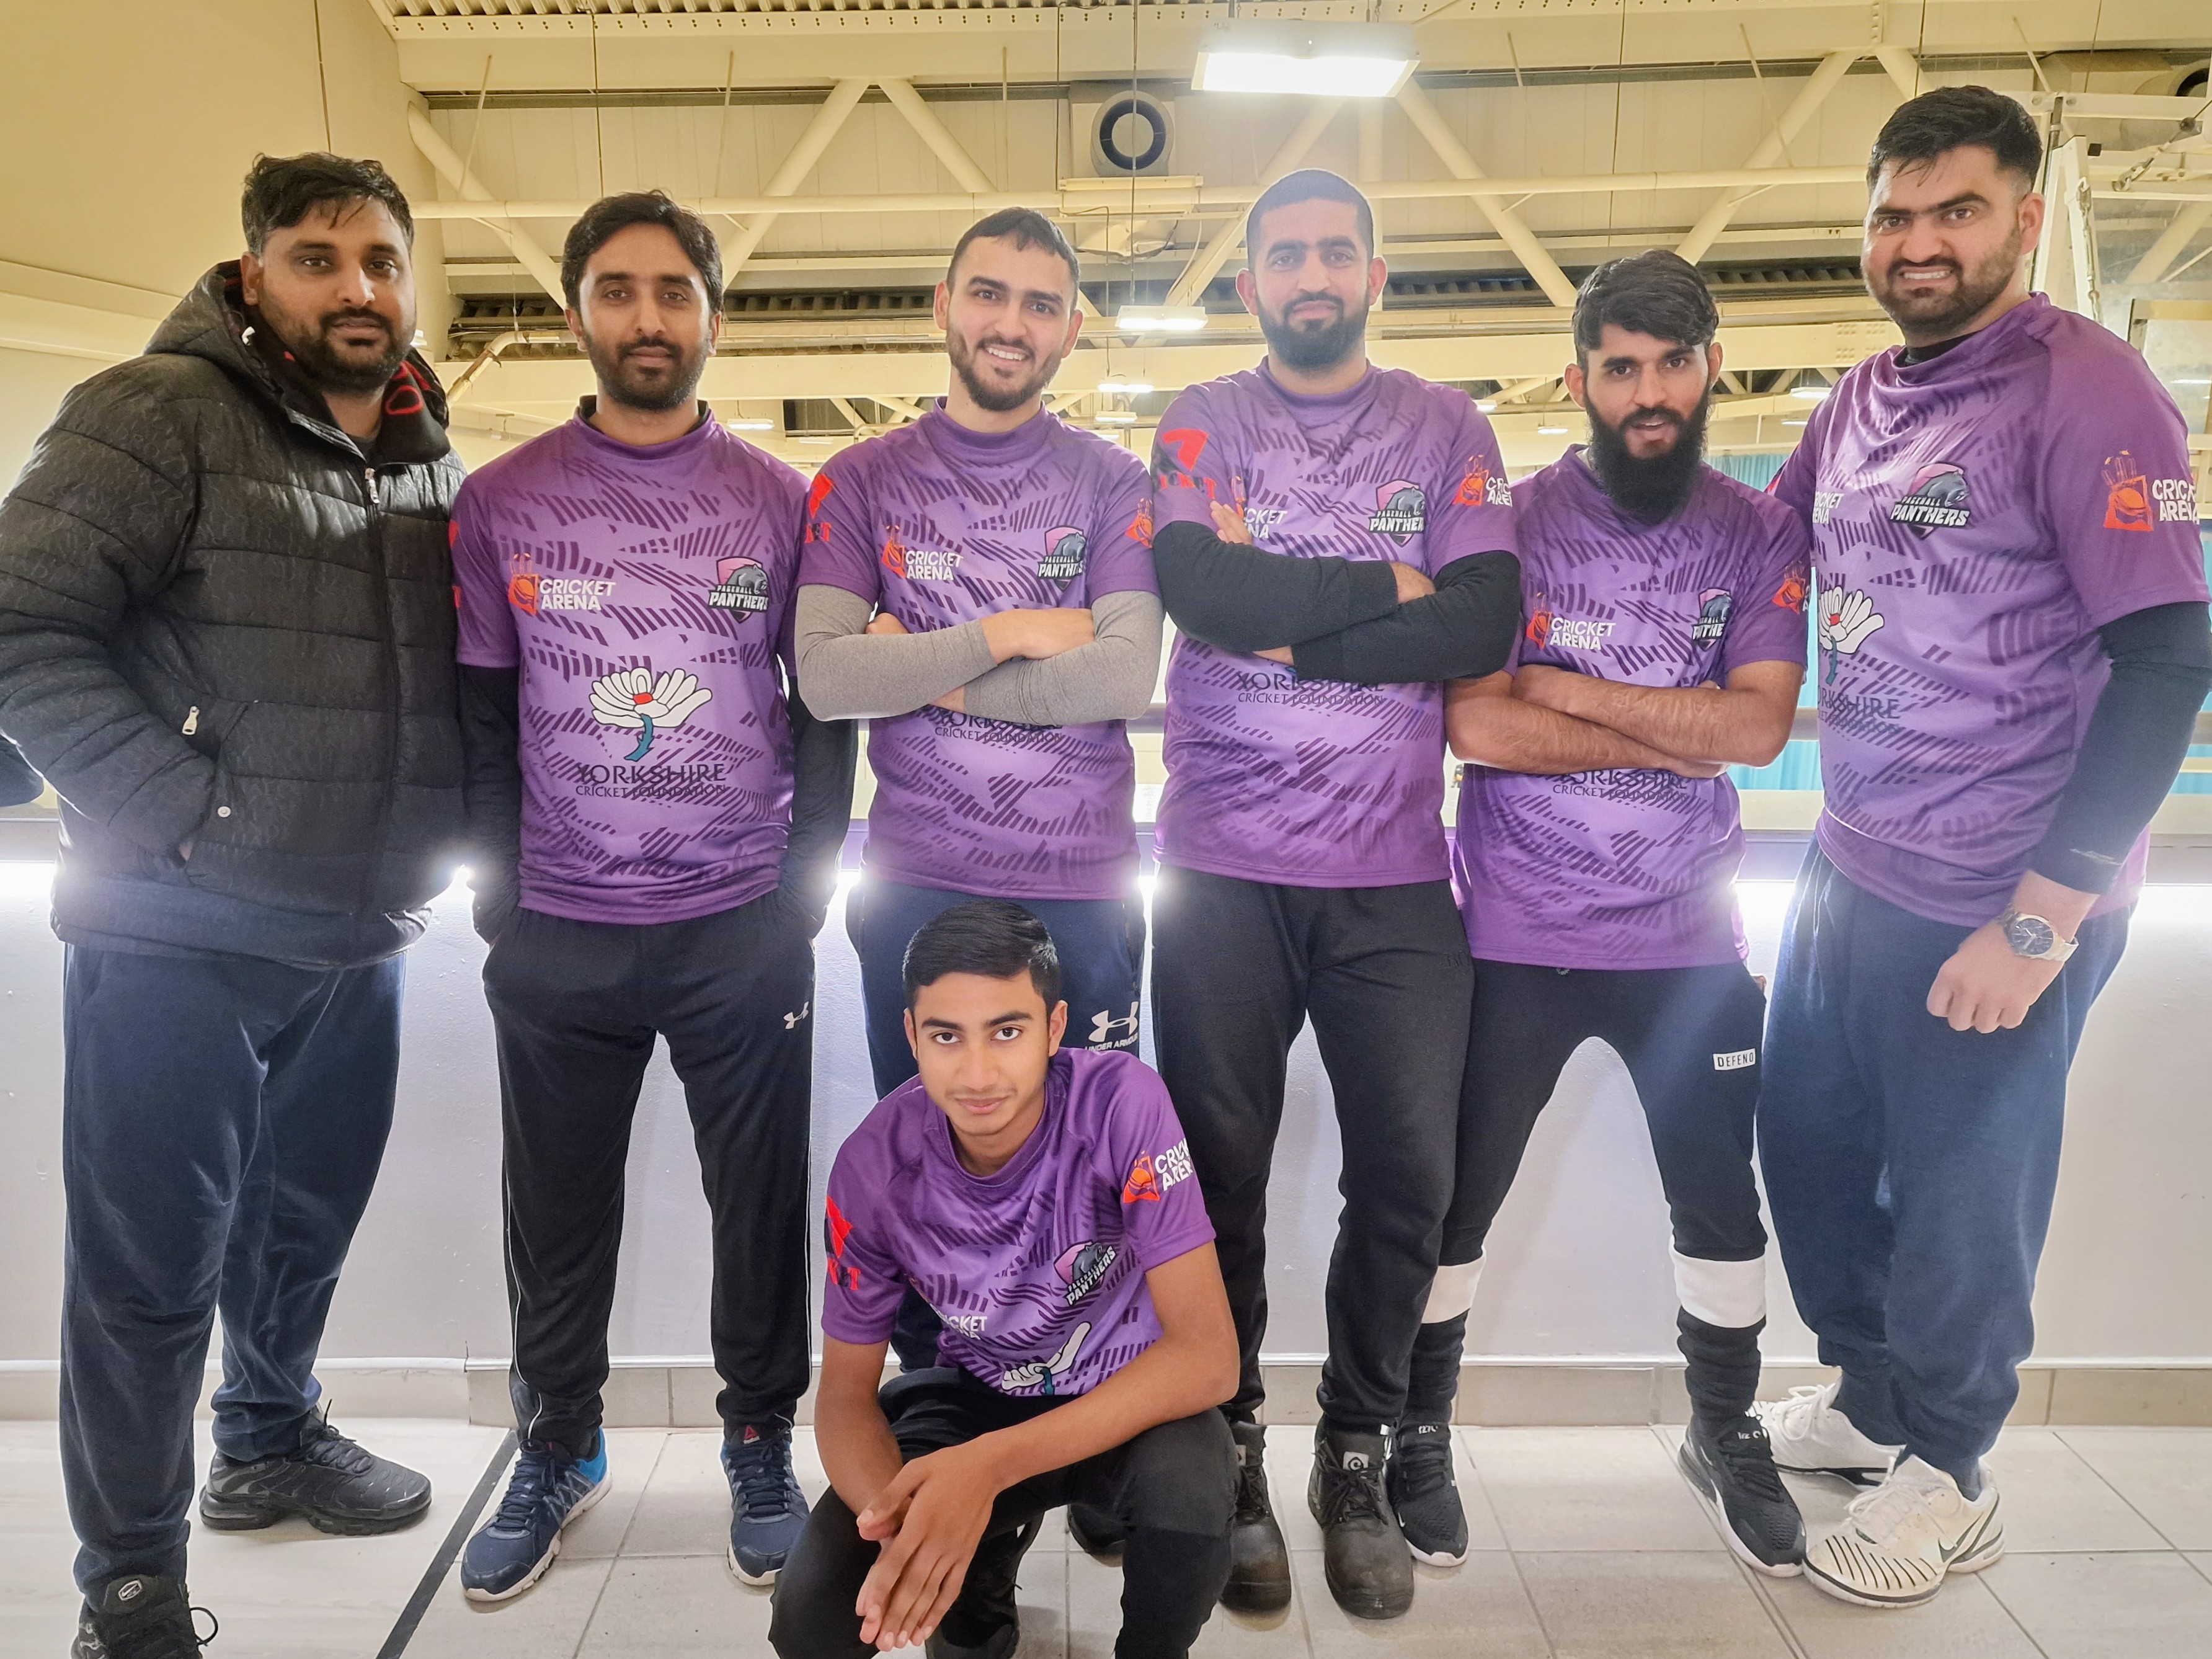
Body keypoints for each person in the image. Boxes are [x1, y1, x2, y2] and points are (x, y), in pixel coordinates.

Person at [0, 154, 465, 1658]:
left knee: (299, 1229)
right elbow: (20, 623)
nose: (357, 286)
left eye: (381, 259)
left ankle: (268, 1439)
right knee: (148, 1273)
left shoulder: (419, 448)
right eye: (318, 257)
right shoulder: (154, 415)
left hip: (357, 931)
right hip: (175, 933)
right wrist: (176, 810)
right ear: (255, 271)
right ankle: (127, 1586)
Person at [1759, 86, 2211, 1608]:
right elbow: (1759, 550)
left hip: (1999, 890)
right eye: (1892, 215)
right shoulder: (1856, 400)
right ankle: (1875, 1401)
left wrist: (2038, 920)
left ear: (2024, 217)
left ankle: (1948, 1470)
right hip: (1849, 860)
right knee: (1810, 1158)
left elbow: (2164, 660)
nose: (1918, 242)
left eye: (1954, 210)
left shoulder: (2088, 392)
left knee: (1960, 1195)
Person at [448, 191, 855, 1600]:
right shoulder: (500, 502)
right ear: (577, 314)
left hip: (739, 925)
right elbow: (480, 720)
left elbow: (828, 706)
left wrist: (801, 896)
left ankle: (757, 1441)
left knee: (756, 1205)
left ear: (710, 317)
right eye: (616, 291)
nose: (645, 317)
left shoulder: (780, 502)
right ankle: (557, 1444)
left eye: (672, 291)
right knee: (555, 1214)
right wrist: (504, 908)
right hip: (560, 934)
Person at [1143, 167, 1522, 1619]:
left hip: (1392, 883)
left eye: (1335, 252)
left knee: (1410, 1180)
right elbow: (1197, 588)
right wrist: (1391, 586)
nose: (1312, 273)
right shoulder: (1202, 419)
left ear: (1375, 274)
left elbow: (1483, 619)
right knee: (1216, 1177)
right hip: (1218, 876)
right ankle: (1230, 1437)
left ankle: (1350, 1450)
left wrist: (1307, 635)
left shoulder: (1445, 426)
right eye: (1285, 254)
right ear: (1249, 283)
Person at [1406, 251, 1810, 1577]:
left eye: (1670, 363)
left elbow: (1751, 726)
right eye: (1619, 367)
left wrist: (1565, 690)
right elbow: (1474, 718)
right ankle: (1417, 1432)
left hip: (1686, 947)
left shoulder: (1754, 532)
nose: (1647, 392)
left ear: (1708, 366)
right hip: (1511, 936)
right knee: (1454, 1202)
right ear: (1579, 378)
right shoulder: (1512, 524)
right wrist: (1657, 725)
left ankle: (1723, 1426)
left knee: (1718, 1200)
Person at [766, 899, 1238, 1659]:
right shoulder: (871, 1166)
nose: (978, 1072)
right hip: (976, 1397)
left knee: (1190, 1509)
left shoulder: (1123, 1102)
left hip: (1125, 1399)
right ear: (912, 1036)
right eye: (947, 1035)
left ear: (1054, 1029)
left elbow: (1208, 1356)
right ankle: (981, 1575)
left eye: (1008, 1031)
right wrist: (908, 1535)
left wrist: (981, 1473)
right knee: (815, 1619)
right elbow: (846, 1395)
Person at [794, 207, 1158, 1103]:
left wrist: (923, 674)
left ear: (1071, 332)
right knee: (923, 1167)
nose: (1009, 324)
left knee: (1093, 1177)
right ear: (942, 305)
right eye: (987, 294)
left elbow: (1120, 673)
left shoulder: (1112, 480)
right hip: (917, 885)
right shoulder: (861, 477)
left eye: (1039, 305)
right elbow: (828, 677)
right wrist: (1009, 632)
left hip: (1083, 889)